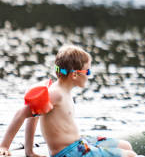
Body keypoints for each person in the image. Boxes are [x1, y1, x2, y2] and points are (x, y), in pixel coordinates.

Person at [0, 45, 137, 157]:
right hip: (69, 152)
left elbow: (34, 116)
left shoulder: (62, 91)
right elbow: (21, 113)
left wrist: (29, 152)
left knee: (126, 146)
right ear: (75, 74)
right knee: (129, 156)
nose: (89, 76)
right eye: (87, 72)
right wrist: (4, 146)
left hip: (78, 144)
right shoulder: (55, 94)